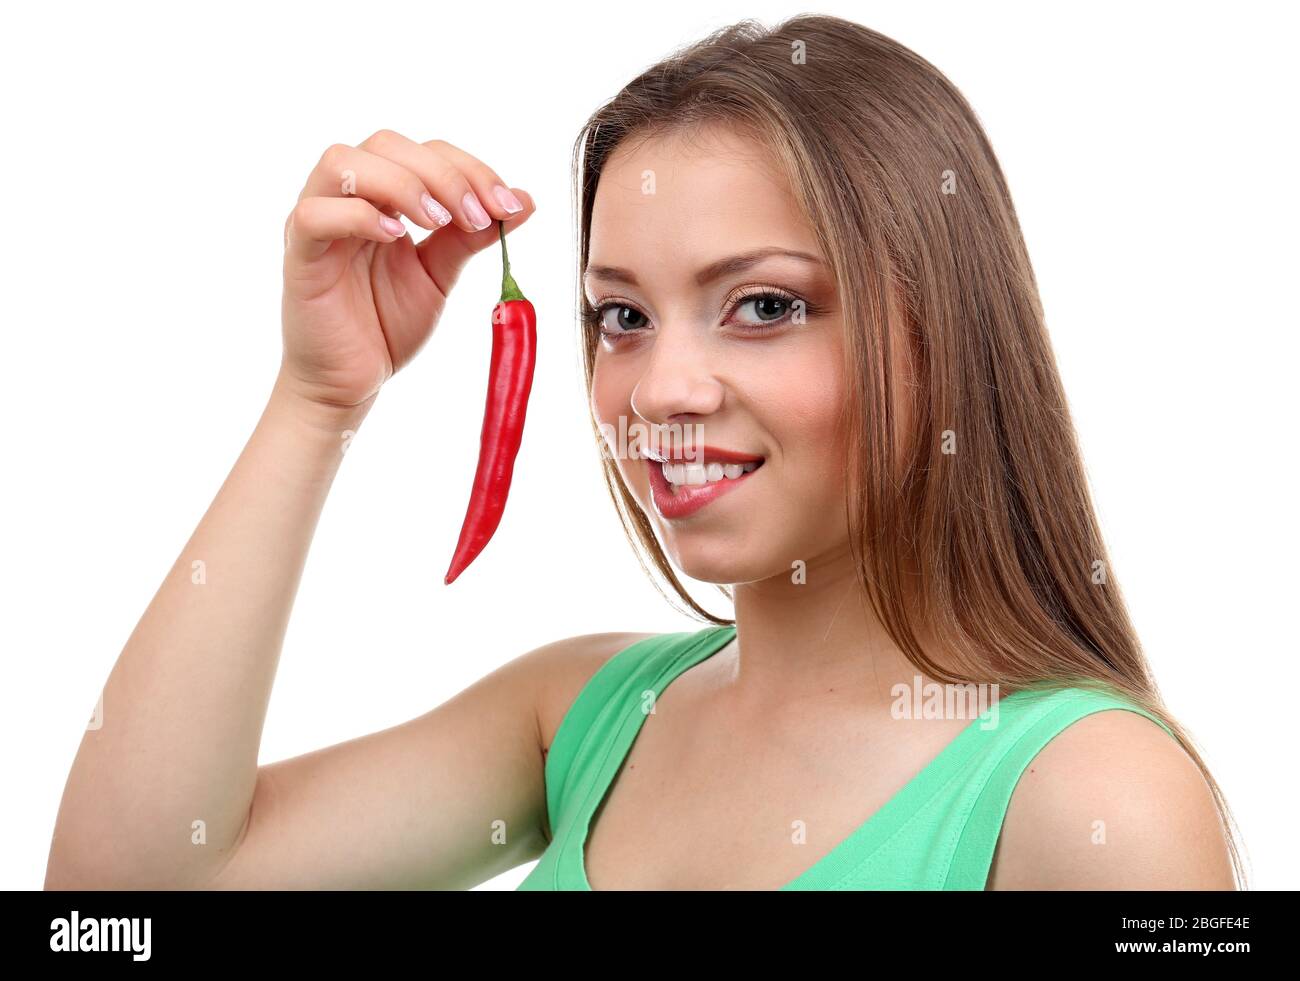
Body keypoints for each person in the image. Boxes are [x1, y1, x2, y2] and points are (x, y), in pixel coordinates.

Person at [44, 13, 1242, 891]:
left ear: (943, 333)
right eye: (620, 315)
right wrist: (316, 398)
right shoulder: (584, 719)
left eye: (765, 306)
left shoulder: (1097, 801)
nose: (659, 389)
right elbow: (125, 902)